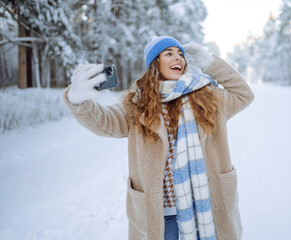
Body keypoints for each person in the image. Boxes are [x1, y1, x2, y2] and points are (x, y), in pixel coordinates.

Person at [63, 36, 254, 240]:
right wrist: (78, 100)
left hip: (207, 206)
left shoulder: (207, 96)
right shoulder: (137, 104)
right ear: (155, 63)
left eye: (180, 54)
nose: (177, 58)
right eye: (169, 53)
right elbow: (106, 122)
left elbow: (243, 94)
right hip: (164, 215)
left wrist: (211, 63)